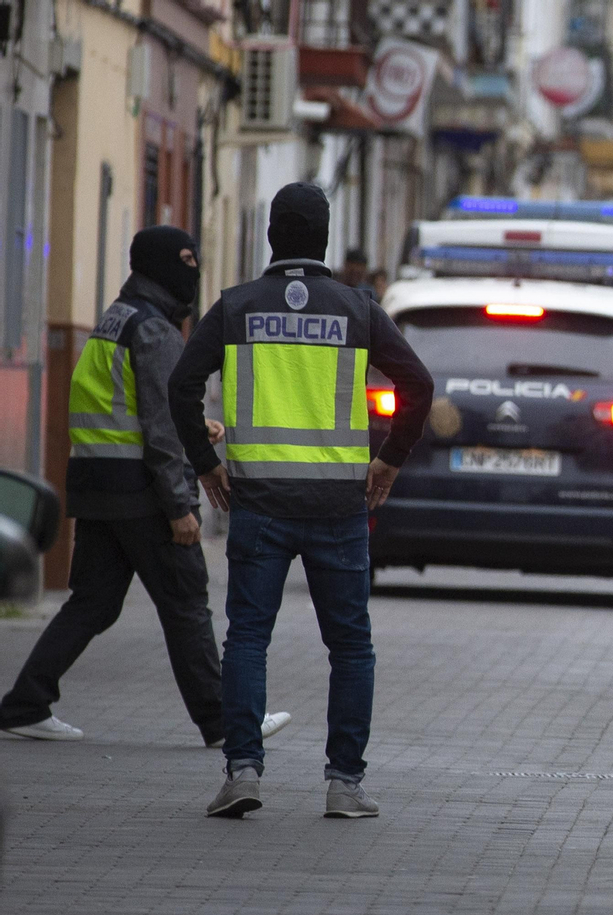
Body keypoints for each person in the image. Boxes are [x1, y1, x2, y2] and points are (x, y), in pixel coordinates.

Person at [169, 183, 434, 819]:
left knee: (248, 639)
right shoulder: (358, 308)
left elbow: (181, 386)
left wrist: (206, 466)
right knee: (350, 646)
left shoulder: (236, 307)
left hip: (257, 503)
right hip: (340, 509)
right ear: (322, 236)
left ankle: (243, 773)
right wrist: (389, 460)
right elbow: (418, 384)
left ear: (269, 235)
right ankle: (344, 784)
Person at [0, 227, 290, 749]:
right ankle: (226, 722)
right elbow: (158, 426)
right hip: (143, 492)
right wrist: (180, 506)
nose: (195, 270)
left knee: (93, 602)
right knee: (185, 600)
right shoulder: (156, 331)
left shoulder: (115, 318)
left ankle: (25, 703)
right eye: (186, 260)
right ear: (159, 265)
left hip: (98, 484)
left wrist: (196, 428)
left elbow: (129, 409)